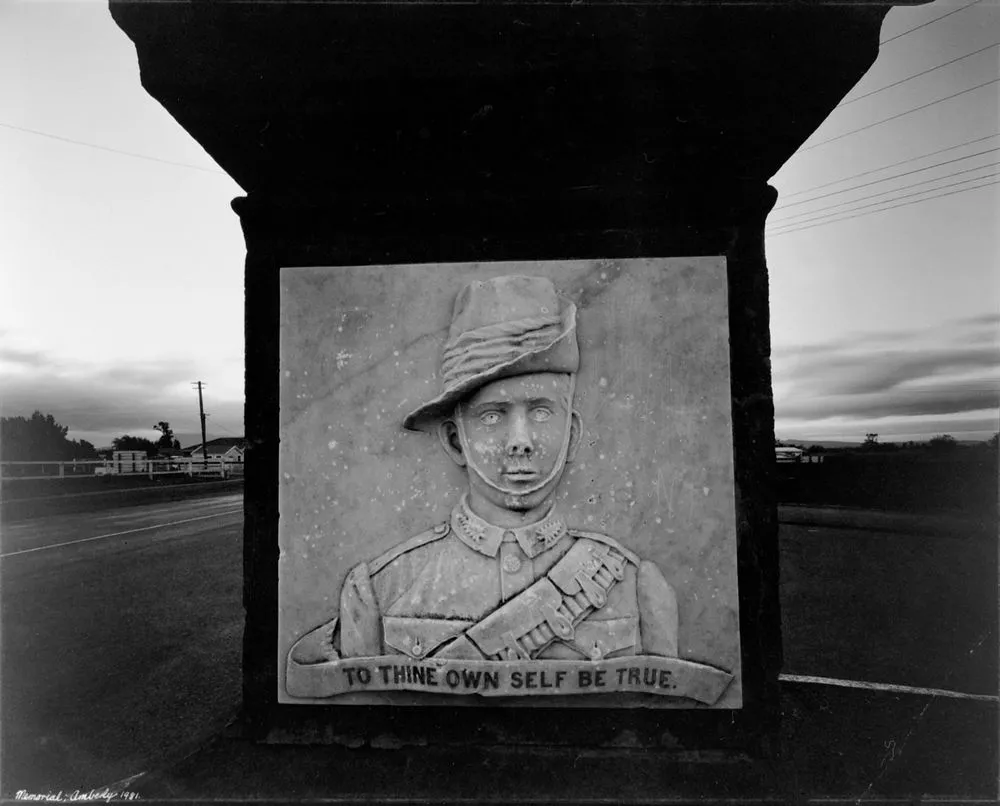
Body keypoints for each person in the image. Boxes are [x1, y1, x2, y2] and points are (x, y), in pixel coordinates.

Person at [289, 275, 678, 668]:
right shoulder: (380, 590)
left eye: (541, 412)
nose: (520, 441)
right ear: (455, 441)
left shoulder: (633, 585)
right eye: (492, 416)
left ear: (572, 435)